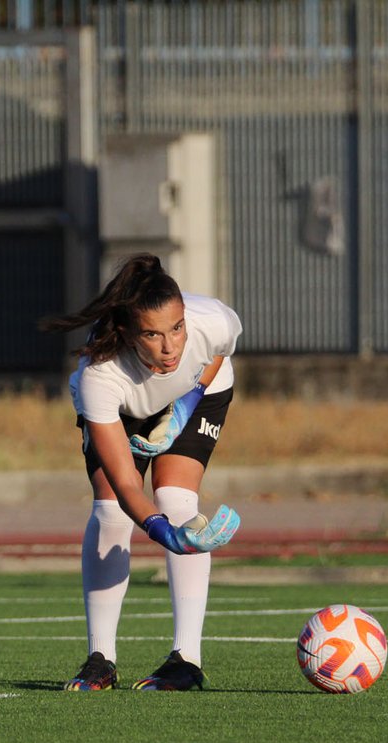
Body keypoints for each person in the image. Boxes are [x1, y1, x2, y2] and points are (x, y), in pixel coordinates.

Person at [40, 252, 244, 691]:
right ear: (129, 333)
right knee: (112, 510)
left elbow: (219, 352)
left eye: (176, 329)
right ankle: (101, 660)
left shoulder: (212, 321)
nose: (170, 347)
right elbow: (128, 484)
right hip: (123, 411)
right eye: (152, 334)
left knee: (177, 501)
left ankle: (186, 660)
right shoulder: (101, 377)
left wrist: (183, 406)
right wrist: (162, 532)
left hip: (198, 395)